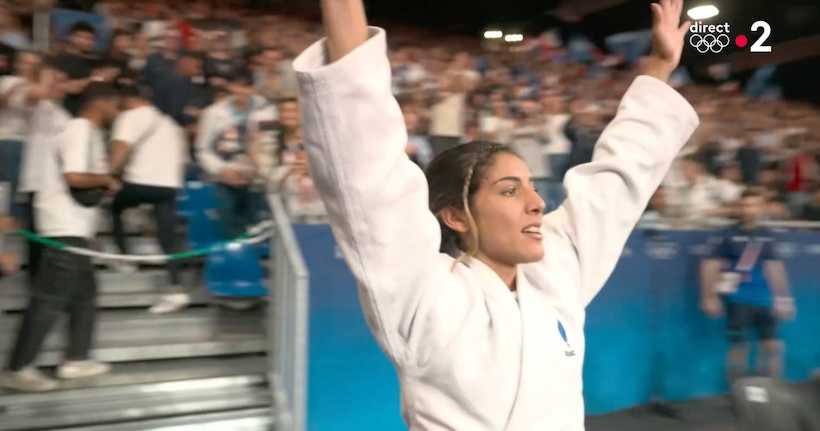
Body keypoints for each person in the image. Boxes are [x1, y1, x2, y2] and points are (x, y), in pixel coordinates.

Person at [292, 0, 697, 429]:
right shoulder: (422, 296)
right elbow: (365, 159)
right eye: (509, 190)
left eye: (532, 188)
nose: (537, 203)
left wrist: (659, 67)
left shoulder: (557, 273)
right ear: (456, 216)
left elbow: (616, 181)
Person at [2, 83, 121, 392]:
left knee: (85, 296)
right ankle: (19, 367)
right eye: (115, 105)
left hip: (76, 228)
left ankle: (77, 359)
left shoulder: (85, 131)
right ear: (103, 102)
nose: (116, 112)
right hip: (63, 228)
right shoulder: (79, 129)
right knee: (49, 300)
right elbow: (75, 176)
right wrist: (108, 180)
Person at [700, 187, 795, 382]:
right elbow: (710, 265)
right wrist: (709, 297)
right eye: (745, 205)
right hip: (738, 299)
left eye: (753, 205)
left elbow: (774, 267)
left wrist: (783, 297)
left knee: (772, 346)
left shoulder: (768, 235)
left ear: (761, 208)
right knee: (739, 348)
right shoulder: (726, 234)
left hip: (765, 299)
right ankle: (739, 393)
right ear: (739, 208)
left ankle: (770, 393)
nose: (748, 210)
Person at [108, 84, 188, 314]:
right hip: (169, 185)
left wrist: (109, 176)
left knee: (113, 206)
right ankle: (176, 290)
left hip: (140, 182)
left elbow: (121, 146)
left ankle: (124, 257)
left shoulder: (130, 116)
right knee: (167, 237)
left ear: (129, 99)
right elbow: (183, 160)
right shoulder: (169, 123)